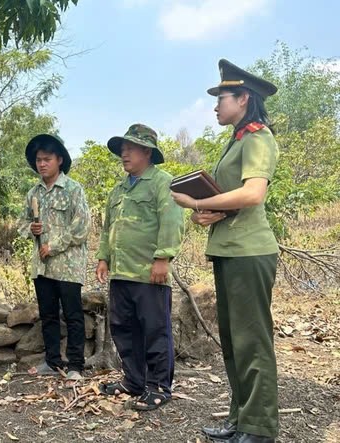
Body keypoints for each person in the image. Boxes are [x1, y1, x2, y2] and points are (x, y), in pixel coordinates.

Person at [171, 59, 280, 443]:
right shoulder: (236, 140)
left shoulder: (257, 137)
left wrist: (195, 205)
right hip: (231, 250)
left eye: (222, 98)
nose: (216, 105)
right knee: (234, 343)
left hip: (250, 252)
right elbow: (233, 200)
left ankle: (259, 428)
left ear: (243, 98)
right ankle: (241, 419)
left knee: (253, 341)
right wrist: (213, 212)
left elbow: (253, 193)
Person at [96, 124, 184, 411]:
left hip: (149, 273)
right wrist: (103, 258)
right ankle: (134, 381)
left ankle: (159, 386)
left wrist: (163, 258)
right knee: (123, 328)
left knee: (155, 330)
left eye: (130, 148)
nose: (124, 154)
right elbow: (108, 228)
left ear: (147, 152)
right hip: (121, 273)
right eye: (123, 149)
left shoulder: (162, 182)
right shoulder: (118, 190)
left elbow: (172, 222)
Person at [19, 134, 91, 381]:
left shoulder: (73, 189)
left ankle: (76, 366)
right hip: (42, 267)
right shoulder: (33, 193)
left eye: (47, 159)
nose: (42, 164)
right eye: (38, 160)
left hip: (68, 266)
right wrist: (31, 229)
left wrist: (53, 245)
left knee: (73, 315)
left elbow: (81, 227)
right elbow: (21, 222)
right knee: (48, 315)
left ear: (59, 160)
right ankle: (52, 362)